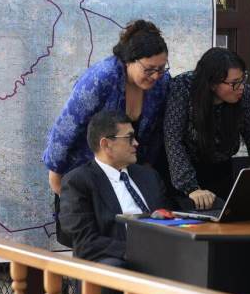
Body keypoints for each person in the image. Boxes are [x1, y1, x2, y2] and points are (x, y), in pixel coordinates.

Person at [59, 111, 169, 294]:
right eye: (129, 138)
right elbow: (85, 242)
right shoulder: (79, 181)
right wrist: (136, 251)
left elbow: (167, 216)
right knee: (112, 273)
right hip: (114, 258)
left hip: (163, 252)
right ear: (106, 144)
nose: (136, 144)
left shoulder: (147, 176)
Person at [43, 20, 169, 242]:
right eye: (149, 69)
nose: (156, 76)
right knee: (86, 239)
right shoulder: (102, 78)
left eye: (161, 68)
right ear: (130, 61)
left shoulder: (160, 84)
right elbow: (66, 127)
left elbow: (152, 132)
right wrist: (56, 173)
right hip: (84, 171)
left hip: (125, 176)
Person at [163, 48, 250, 209]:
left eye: (243, 79)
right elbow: (173, 140)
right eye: (234, 83)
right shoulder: (183, 87)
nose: (241, 87)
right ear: (212, 83)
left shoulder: (244, 93)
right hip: (181, 168)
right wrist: (191, 188)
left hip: (220, 167)